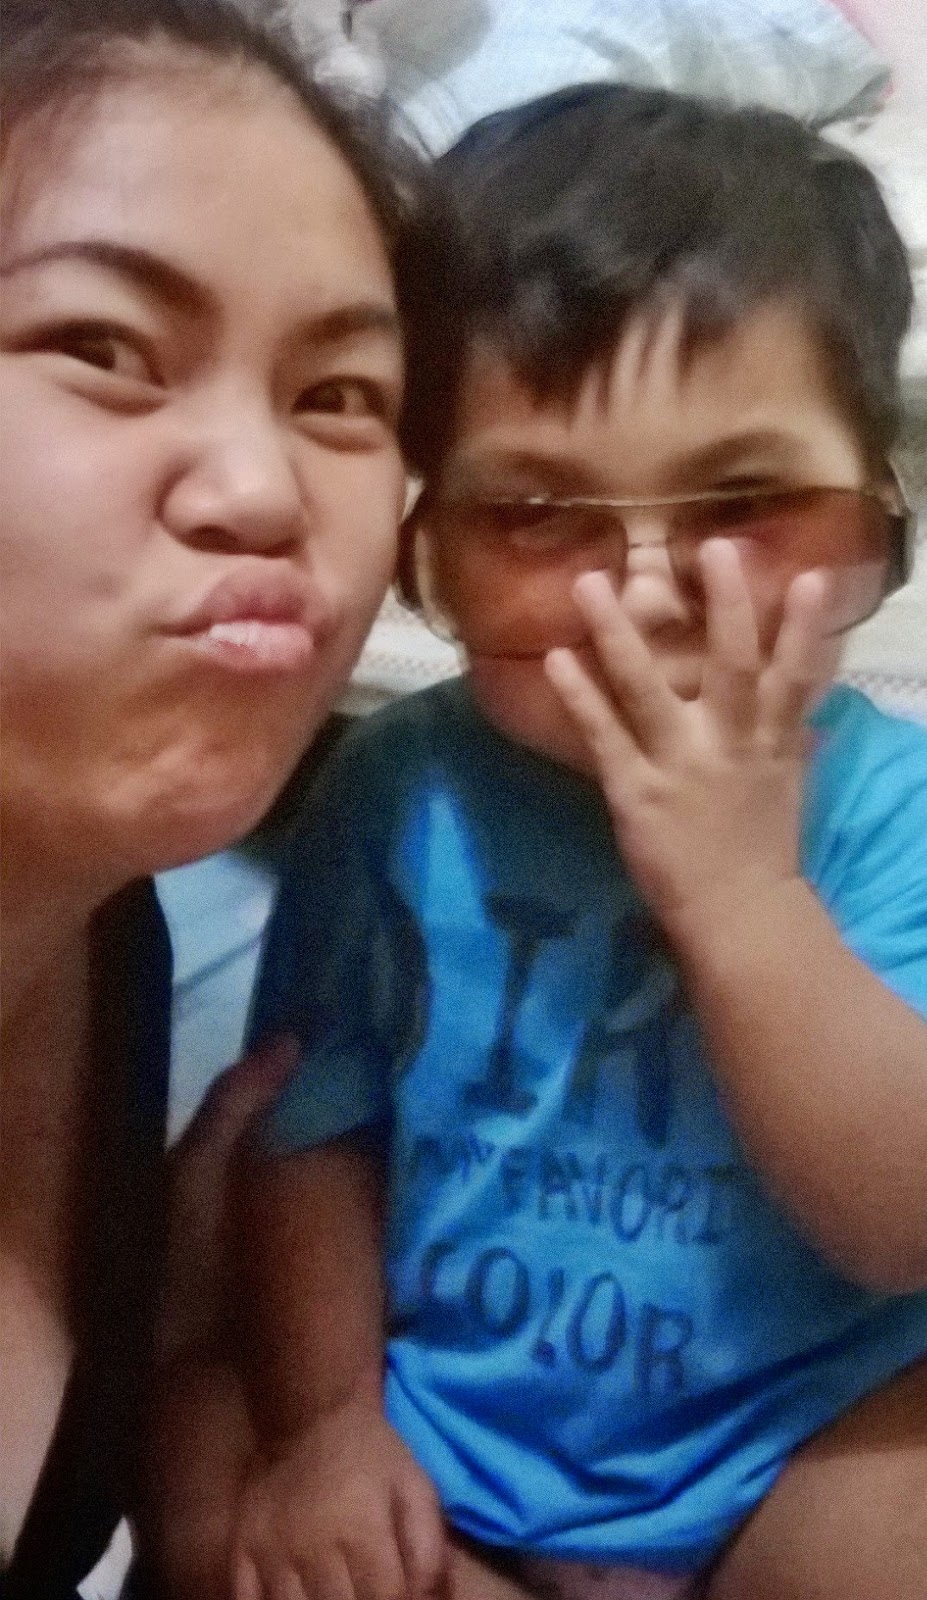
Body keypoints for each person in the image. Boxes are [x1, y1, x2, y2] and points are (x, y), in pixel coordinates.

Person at [230, 86, 927, 1600]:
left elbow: (915, 1228)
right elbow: (310, 1140)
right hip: (445, 1434)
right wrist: (325, 1425)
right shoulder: (397, 793)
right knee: (230, 1478)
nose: (645, 596)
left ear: (879, 516)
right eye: (536, 514)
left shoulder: (898, 808)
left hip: (805, 1424)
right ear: (428, 551)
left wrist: (745, 898)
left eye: (749, 501)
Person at [0, 0, 421, 1590]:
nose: (262, 491)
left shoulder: (112, 946)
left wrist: (169, 1325)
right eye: (101, 348)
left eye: (342, 396)